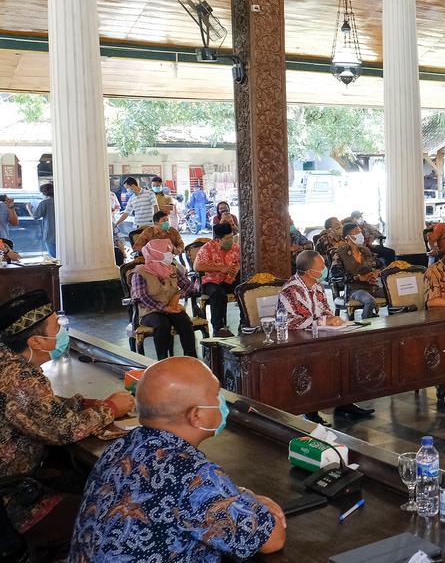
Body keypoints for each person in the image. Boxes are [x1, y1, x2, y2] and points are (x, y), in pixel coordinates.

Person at [69, 357, 286, 561]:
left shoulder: (120, 446)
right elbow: (272, 538)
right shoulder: (191, 475)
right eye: (216, 395)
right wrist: (248, 499)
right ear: (196, 415)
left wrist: (235, 495)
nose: (221, 401)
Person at [0, 290, 133, 560]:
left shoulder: (8, 362)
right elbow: (62, 430)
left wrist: (82, 403)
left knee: (91, 480)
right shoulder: (20, 378)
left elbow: (40, 408)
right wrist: (111, 408)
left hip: (21, 480)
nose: (61, 331)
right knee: (115, 517)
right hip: (13, 501)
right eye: (56, 327)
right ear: (36, 341)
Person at [277, 251, 366, 424]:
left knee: (345, 353)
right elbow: (291, 322)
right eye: (322, 266)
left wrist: (332, 319)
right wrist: (323, 321)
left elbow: (325, 309)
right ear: (309, 271)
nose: (325, 268)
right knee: (317, 361)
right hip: (298, 340)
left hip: (319, 335)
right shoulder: (291, 290)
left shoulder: (317, 286)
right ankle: (310, 409)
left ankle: (344, 402)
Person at [130, 238, 196, 359]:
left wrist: (178, 295)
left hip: (171, 307)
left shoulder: (172, 269)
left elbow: (189, 286)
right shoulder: (139, 273)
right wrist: (164, 308)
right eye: (166, 252)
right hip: (150, 311)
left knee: (185, 322)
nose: (170, 255)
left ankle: (191, 358)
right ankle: (163, 360)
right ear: (155, 254)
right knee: (162, 324)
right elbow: (142, 297)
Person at [193, 223, 241, 338]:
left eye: (232, 236)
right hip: (209, 281)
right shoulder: (207, 248)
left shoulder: (235, 247)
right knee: (218, 293)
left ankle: (245, 324)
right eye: (228, 238)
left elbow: (241, 261)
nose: (231, 240)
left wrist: (237, 268)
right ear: (218, 240)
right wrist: (220, 268)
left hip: (228, 280)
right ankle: (218, 328)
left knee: (243, 288)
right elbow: (197, 266)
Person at [337, 222, 384, 319]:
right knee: (370, 301)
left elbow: (380, 265)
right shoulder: (340, 254)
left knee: (395, 294)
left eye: (360, 232)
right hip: (355, 289)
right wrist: (358, 278)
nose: (360, 235)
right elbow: (337, 276)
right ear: (347, 236)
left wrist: (376, 273)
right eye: (356, 233)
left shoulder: (365, 250)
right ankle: (365, 323)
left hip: (372, 286)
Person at [30, 184, 55, 258]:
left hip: (50, 234)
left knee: (54, 257)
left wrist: (29, 209)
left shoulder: (44, 203)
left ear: (44, 193)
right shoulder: (61, 201)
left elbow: (35, 216)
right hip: (62, 234)